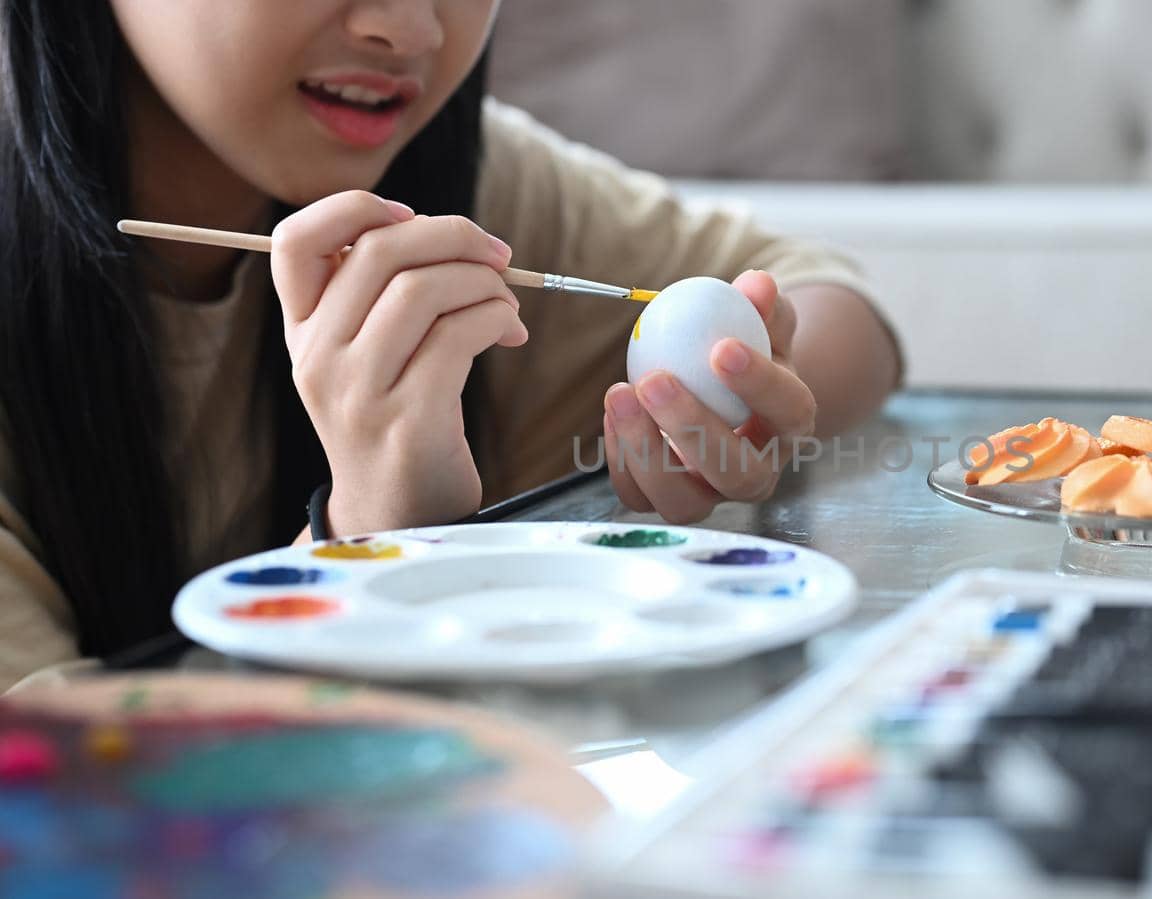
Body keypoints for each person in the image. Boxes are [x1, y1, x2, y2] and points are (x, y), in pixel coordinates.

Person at [0, 1, 901, 686]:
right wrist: (374, 534)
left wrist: (742, 398)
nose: (412, 26)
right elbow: (65, 798)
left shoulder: (460, 189)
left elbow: (837, 304)